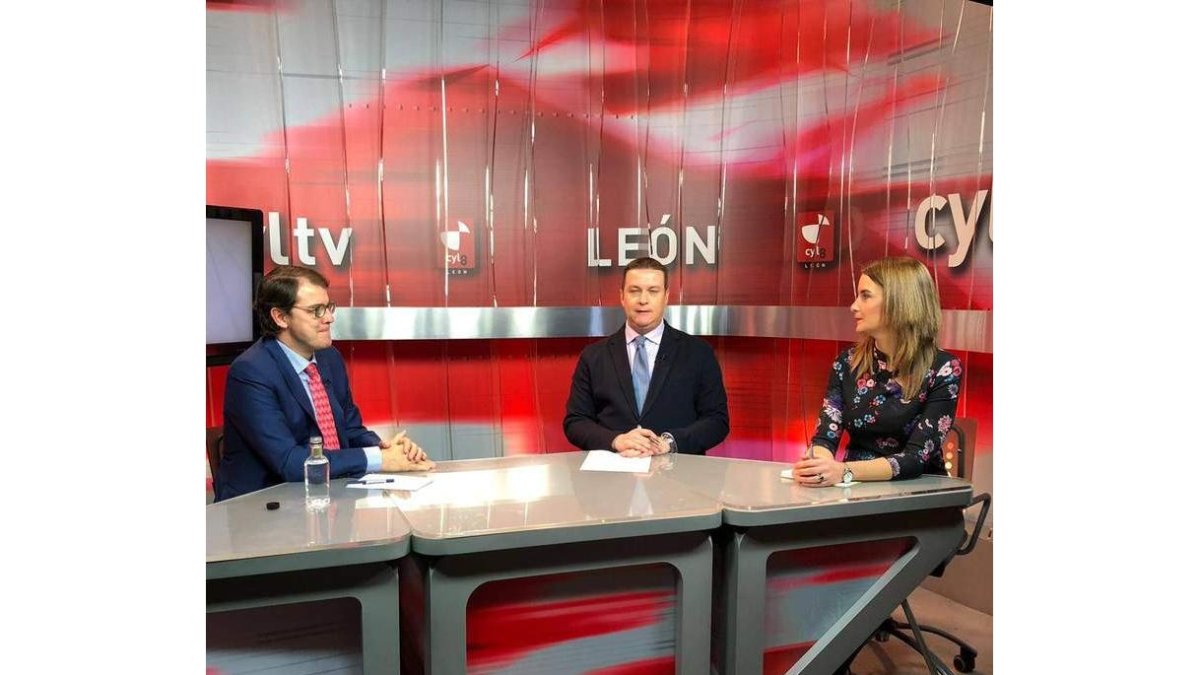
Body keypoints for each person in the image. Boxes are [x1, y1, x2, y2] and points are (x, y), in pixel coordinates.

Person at [215, 265, 434, 501]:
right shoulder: (251, 371)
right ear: (280, 317)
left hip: (328, 497)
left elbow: (350, 430)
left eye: (328, 307)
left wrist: (384, 447)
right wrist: (380, 460)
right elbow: (289, 462)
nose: (329, 318)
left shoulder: (329, 357)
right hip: (260, 510)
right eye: (315, 311)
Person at [793, 256, 963, 487]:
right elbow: (825, 435)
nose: (854, 306)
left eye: (865, 296)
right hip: (853, 490)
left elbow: (915, 459)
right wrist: (819, 468)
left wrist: (843, 471)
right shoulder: (847, 362)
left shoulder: (944, 369)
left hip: (919, 497)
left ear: (899, 302)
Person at [564, 257, 729, 456]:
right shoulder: (593, 356)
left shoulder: (698, 352)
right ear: (622, 297)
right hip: (612, 476)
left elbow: (717, 420)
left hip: (679, 477)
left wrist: (669, 442)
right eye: (634, 291)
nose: (643, 300)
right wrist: (617, 440)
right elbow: (576, 422)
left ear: (666, 296)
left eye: (653, 291)